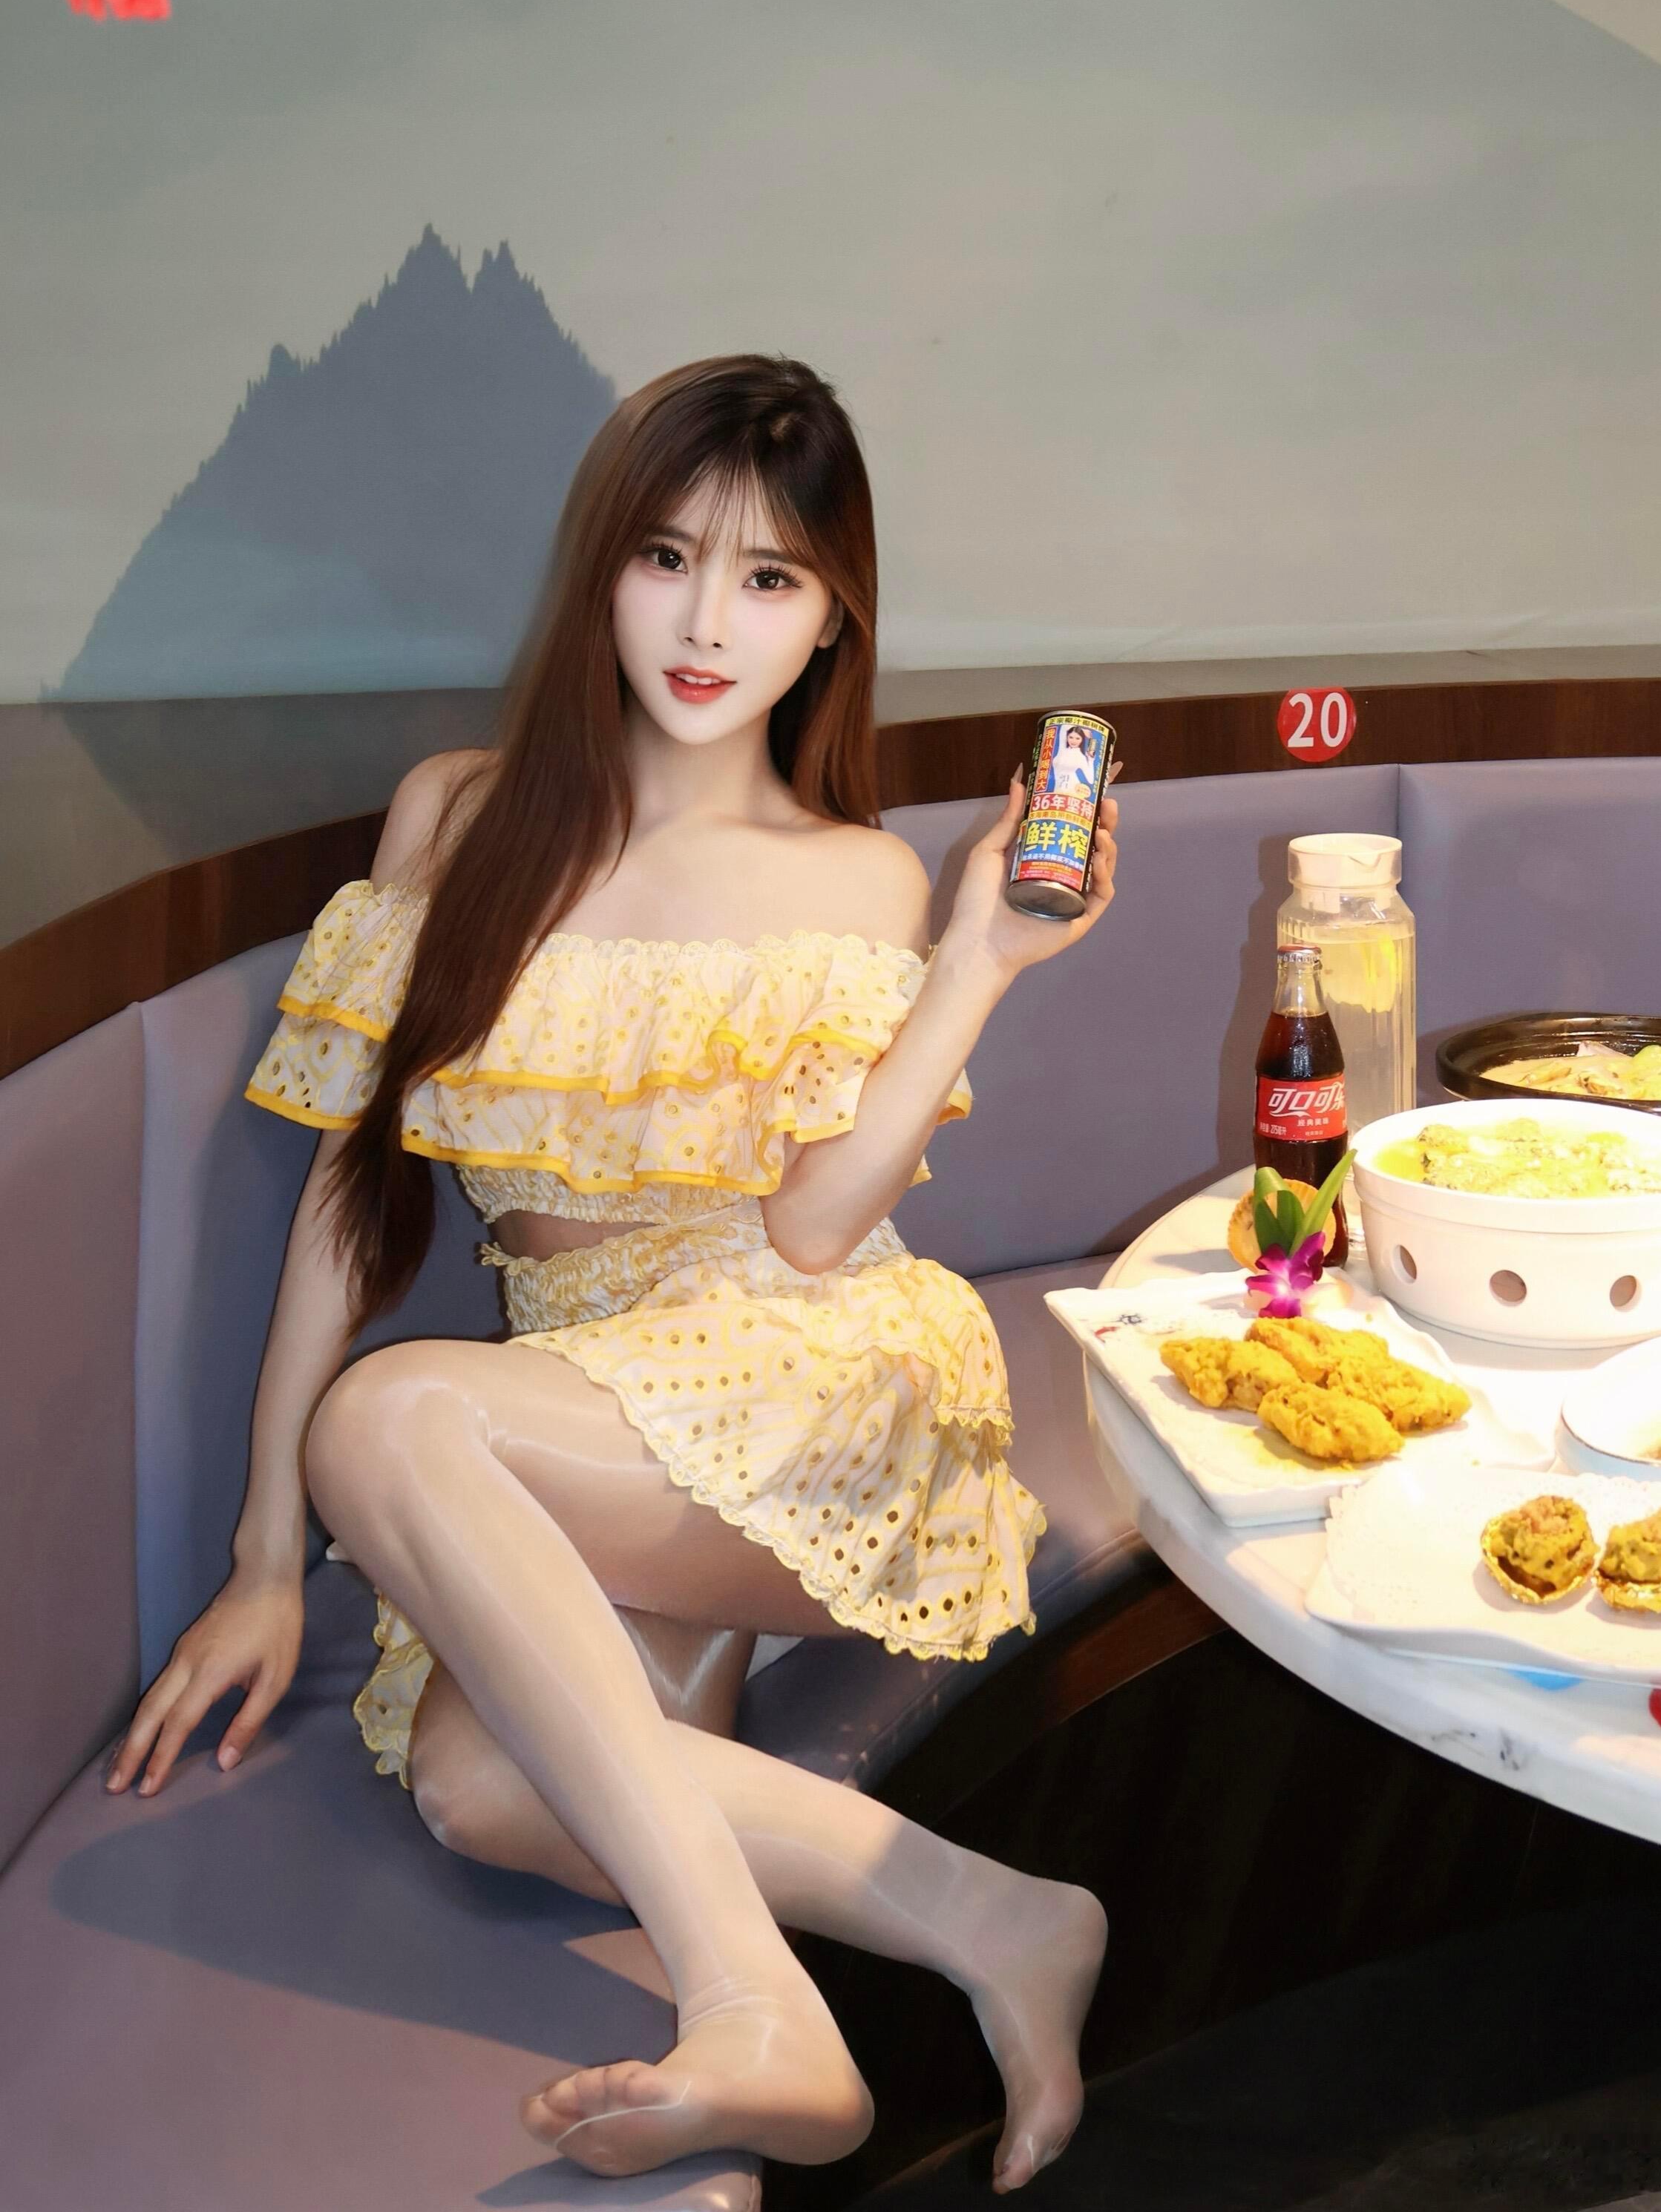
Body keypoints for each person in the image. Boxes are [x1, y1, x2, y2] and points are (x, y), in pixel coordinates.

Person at [105, 357, 1120, 2190]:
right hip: (578, 1421)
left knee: (390, 1422)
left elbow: (813, 1232)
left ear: (832, 620)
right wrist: (262, 1565)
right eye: (668, 557)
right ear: (604, 567)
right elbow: (348, 1200)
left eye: (769, 578)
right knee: (478, 1784)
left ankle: (755, 2006)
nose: (708, 623)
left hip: (809, 1378)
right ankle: (1001, 1919)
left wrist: (980, 958)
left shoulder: (854, 875)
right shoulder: (457, 817)